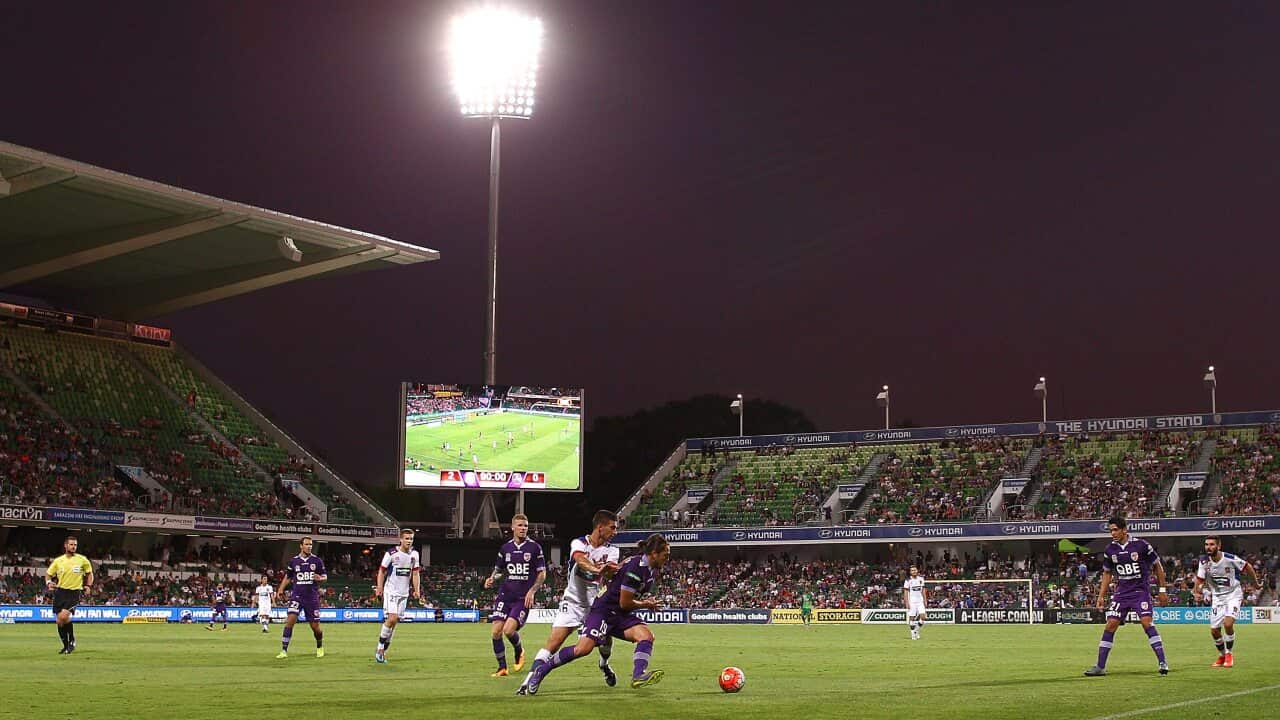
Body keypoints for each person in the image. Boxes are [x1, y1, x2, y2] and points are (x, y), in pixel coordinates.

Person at [523, 533, 670, 696]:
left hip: (619, 614)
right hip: (604, 611)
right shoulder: (636, 569)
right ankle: (542, 670)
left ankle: (638, 676)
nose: (667, 558)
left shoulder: (648, 569)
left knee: (646, 636)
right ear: (654, 554)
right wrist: (646, 604)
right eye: (665, 555)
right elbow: (625, 602)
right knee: (582, 649)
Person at [518, 510, 621, 694]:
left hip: (596, 606)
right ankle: (527, 682)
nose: (615, 532)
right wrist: (597, 570)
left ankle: (604, 664)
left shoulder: (613, 550)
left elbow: (609, 572)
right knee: (553, 643)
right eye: (612, 528)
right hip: (572, 603)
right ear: (600, 527)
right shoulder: (579, 543)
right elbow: (580, 560)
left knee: (606, 641)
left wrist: (606, 571)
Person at [1084, 516, 1170, 676]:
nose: (1113, 533)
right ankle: (1100, 667)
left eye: (1115, 530)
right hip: (1121, 594)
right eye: (1110, 530)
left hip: (1140, 592)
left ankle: (1163, 662)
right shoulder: (1110, 550)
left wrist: (1162, 590)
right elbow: (1107, 573)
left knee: (1146, 623)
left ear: (1124, 530)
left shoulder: (1141, 545)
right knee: (1110, 625)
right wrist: (1101, 596)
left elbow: (1157, 566)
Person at [483, 513, 546, 676]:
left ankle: (519, 651)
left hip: (522, 598)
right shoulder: (506, 548)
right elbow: (499, 569)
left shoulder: (534, 548)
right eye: (520, 525)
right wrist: (492, 578)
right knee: (496, 631)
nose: (523, 528)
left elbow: (542, 573)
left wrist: (532, 591)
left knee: (509, 630)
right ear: (512, 527)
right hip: (505, 595)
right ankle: (502, 668)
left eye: (525, 526)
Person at [1194, 536, 1260, 668]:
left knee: (1228, 624)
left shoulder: (1230, 558)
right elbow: (1200, 579)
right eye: (1206, 544)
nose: (1208, 547)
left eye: (1212, 544)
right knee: (1214, 631)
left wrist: (1256, 583)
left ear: (1219, 546)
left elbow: (1247, 566)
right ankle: (1222, 655)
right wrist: (1197, 591)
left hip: (1233, 595)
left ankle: (1229, 654)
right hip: (1217, 597)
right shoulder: (1204, 561)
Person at [374, 529, 422, 663]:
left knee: (394, 623)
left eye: (411, 539)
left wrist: (417, 590)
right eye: (406, 538)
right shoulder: (391, 553)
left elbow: (415, 573)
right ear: (401, 539)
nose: (409, 541)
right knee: (392, 618)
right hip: (391, 591)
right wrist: (379, 588)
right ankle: (379, 648)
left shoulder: (415, 555)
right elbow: (381, 571)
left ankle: (384, 650)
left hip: (403, 594)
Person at [276, 537, 328, 659]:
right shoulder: (294, 561)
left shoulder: (317, 560)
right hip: (297, 596)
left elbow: (325, 576)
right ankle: (284, 650)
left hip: (311, 597)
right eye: (307, 544)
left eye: (311, 544)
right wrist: (281, 589)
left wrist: (320, 578)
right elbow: (288, 576)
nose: (309, 546)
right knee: (290, 621)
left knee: (315, 627)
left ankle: (319, 646)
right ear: (301, 546)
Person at [46, 535, 93, 654]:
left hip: (74, 592)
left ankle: (71, 640)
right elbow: (48, 574)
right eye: (71, 544)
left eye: (75, 545)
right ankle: (66, 645)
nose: (73, 547)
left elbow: (89, 574)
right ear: (65, 545)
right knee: (60, 621)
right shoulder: (58, 561)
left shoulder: (82, 560)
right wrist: (49, 582)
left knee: (63, 617)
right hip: (60, 592)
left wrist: (88, 585)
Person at [904, 565, 927, 640]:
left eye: (915, 570)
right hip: (912, 601)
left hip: (920, 601)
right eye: (912, 570)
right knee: (912, 618)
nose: (914, 571)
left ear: (917, 571)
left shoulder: (921, 579)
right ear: (910, 572)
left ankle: (916, 630)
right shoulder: (908, 580)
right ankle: (912, 634)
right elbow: (905, 592)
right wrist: (907, 602)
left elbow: (923, 591)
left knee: (923, 617)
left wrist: (925, 600)